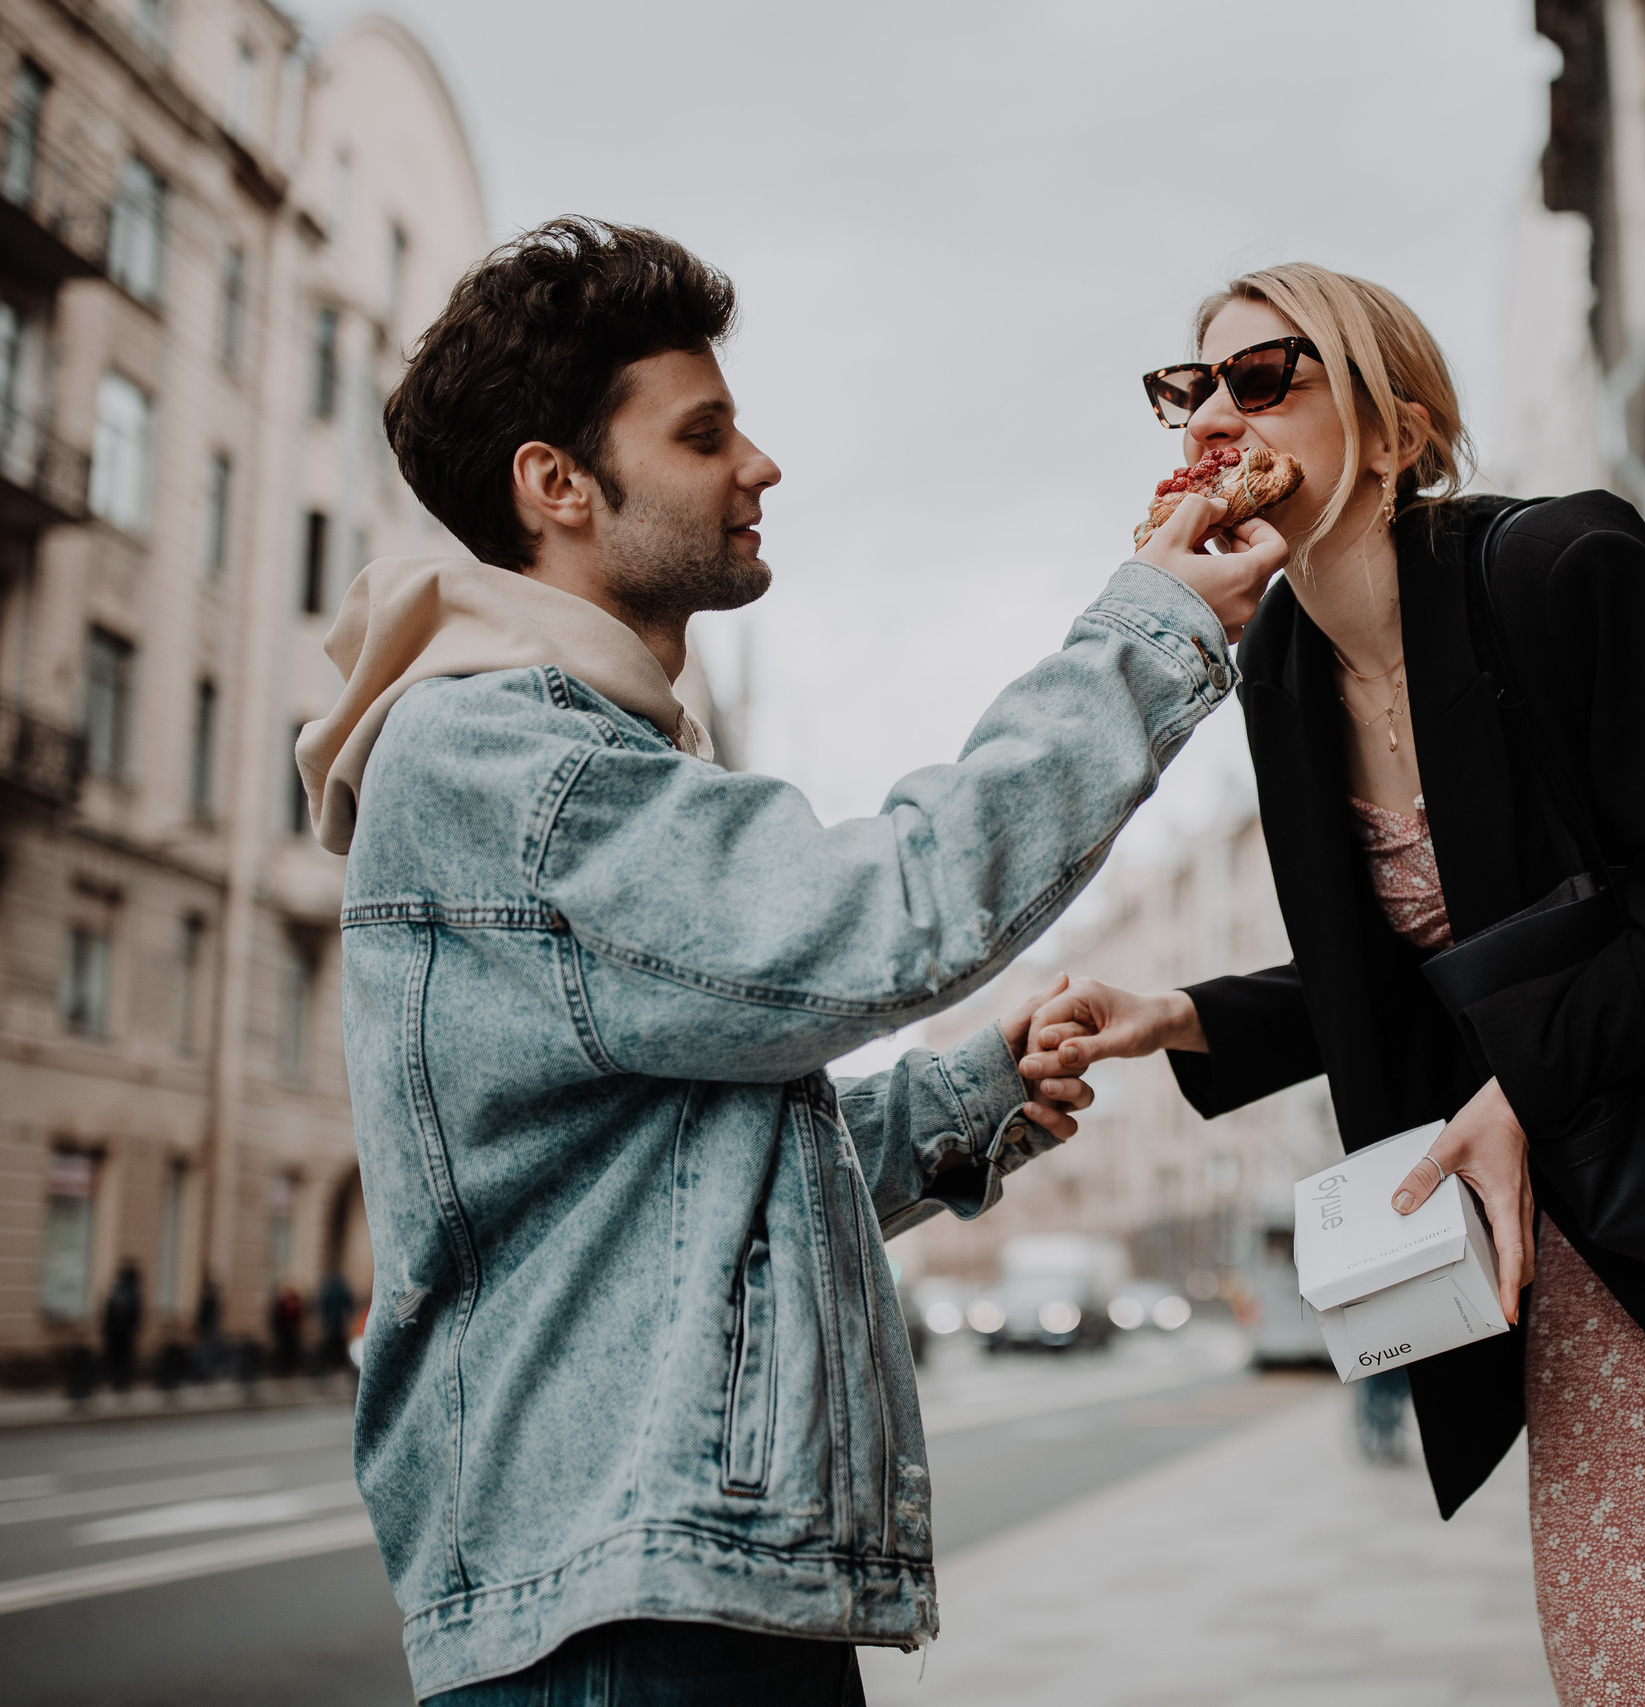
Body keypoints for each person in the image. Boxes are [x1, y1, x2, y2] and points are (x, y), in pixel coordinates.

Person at [302, 219, 1284, 1704]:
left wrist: (973, 1097)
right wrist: (1149, 635)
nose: (758, 464)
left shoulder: (569, 750)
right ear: (556, 484)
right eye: (704, 433)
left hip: (660, 1585)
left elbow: (695, 1198)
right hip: (626, 1613)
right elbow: (885, 909)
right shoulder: (514, 755)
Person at [1018, 264, 1645, 1705]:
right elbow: (1433, 967)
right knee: (1636, 1666)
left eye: (1264, 375)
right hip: (1582, 1272)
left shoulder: (1558, 569)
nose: (1217, 416)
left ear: (1400, 428)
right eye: (1193, 388)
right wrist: (1188, 1014)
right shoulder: (1284, 665)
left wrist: (1521, 1096)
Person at [99, 1260, 142, 1391]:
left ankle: (113, 1380)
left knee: (114, 1356)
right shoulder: (132, 1292)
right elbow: (136, 1314)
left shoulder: (117, 1290)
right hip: (125, 1333)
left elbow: (108, 1309)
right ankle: (122, 1383)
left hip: (114, 1332)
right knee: (124, 1357)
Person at [267, 1283, 305, 1377]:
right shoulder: (281, 1304)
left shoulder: (295, 1304)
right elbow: (276, 1317)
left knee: (292, 1350)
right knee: (283, 1351)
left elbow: (299, 1317)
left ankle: (291, 1369)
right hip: (283, 1331)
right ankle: (283, 1370)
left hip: (292, 1331)